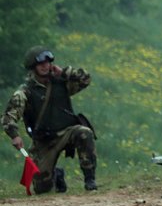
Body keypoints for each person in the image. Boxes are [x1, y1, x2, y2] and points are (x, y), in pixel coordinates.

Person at [2, 46, 97, 193]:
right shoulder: (25, 92)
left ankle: (90, 179)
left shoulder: (62, 82)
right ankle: (57, 175)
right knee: (42, 189)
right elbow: (9, 116)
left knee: (84, 132)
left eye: (48, 62)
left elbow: (86, 79)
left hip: (67, 132)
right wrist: (14, 135)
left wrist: (65, 72)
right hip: (44, 141)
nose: (45, 66)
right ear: (33, 67)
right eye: (41, 64)